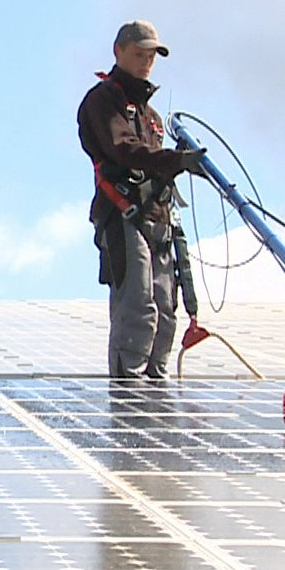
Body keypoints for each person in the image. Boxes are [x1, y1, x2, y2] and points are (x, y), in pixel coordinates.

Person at [77, 20, 204, 379]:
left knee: (165, 306)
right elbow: (123, 150)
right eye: (139, 54)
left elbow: (150, 160)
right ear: (119, 51)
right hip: (123, 215)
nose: (146, 62)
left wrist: (177, 165)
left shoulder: (151, 116)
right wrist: (174, 160)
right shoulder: (102, 101)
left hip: (159, 218)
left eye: (151, 56)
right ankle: (129, 391)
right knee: (137, 302)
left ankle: (155, 390)